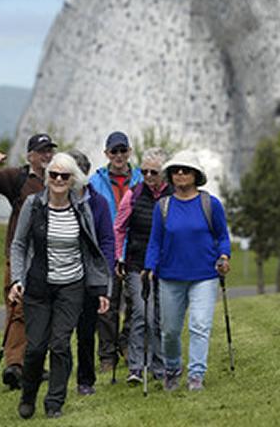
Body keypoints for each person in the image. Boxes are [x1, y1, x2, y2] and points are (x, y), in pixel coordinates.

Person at [8, 152, 111, 419]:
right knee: (35, 347)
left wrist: (100, 288)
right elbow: (19, 245)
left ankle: (54, 402)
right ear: (46, 177)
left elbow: (92, 250)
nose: (58, 180)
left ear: (73, 179)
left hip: (71, 287)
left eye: (64, 176)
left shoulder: (81, 208)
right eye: (53, 174)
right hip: (39, 287)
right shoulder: (33, 205)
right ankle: (28, 395)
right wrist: (17, 280)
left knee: (61, 344)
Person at [0, 132, 57, 390]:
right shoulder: (18, 178)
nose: (47, 155)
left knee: (43, 311)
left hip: (48, 258)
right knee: (17, 309)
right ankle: (14, 366)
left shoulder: (58, 179)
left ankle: (33, 365)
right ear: (30, 155)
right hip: (19, 256)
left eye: (49, 150)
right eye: (42, 151)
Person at [144, 150, 231, 392]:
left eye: (186, 170)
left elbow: (222, 236)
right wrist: (149, 267)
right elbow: (155, 242)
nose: (180, 174)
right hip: (170, 276)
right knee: (170, 331)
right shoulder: (163, 206)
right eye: (175, 170)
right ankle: (172, 368)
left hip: (205, 275)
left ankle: (196, 375)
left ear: (196, 175)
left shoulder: (210, 204)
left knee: (199, 325)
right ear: (170, 176)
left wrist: (224, 256)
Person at [113, 147, 172, 384]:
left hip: (166, 266)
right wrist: (119, 257)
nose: (148, 177)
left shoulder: (174, 196)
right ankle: (136, 366)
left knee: (160, 317)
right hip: (137, 264)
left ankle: (159, 365)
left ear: (164, 173)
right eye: (144, 171)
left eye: (153, 172)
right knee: (142, 313)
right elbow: (119, 227)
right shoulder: (133, 195)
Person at [89, 131, 143, 372]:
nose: (119, 156)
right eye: (114, 151)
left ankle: (127, 341)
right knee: (107, 305)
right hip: (107, 250)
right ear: (106, 154)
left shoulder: (142, 178)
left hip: (135, 248)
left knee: (136, 301)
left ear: (129, 152)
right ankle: (107, 355)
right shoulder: (95, 182)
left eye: (123, 151)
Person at [66, 149, 116, 396]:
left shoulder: (98, 203)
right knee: (59, 333)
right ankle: (58, 380)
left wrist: (104, 276)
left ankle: (85, 380)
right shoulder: (52, 201)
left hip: (88, 275)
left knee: (86, 332)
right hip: (61, 273)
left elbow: (107, 240)